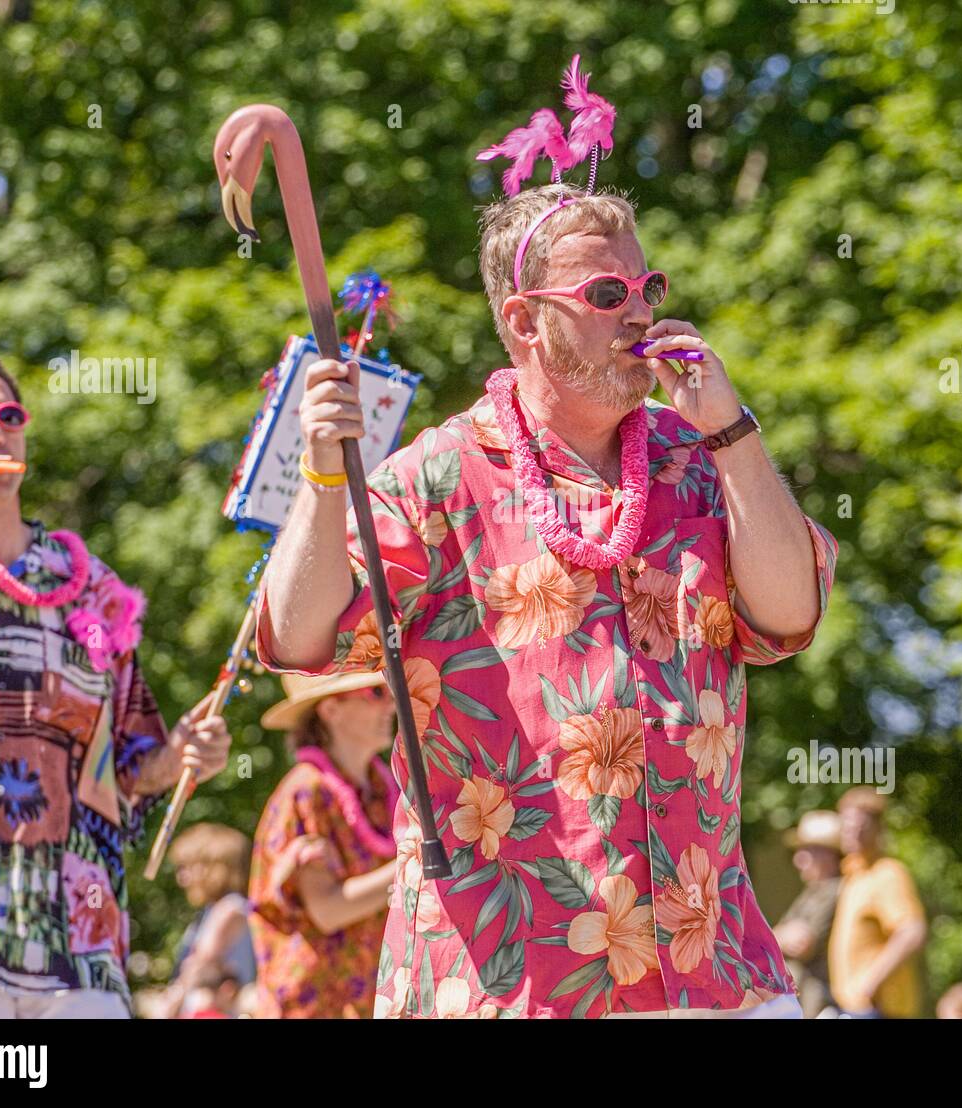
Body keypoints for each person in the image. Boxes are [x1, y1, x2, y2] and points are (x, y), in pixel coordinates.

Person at [256, 58, 838, 1018]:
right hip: (508, 979)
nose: (642, 312)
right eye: (607, 296)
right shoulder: (435, 478)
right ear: (524, 323)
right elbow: (298, 637)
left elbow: (789, 615)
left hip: (711, 972)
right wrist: (325, 477)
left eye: (646, 286)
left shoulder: (701, 465)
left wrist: (734, 433)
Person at [0, 348, 231, 1018]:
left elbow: (132, 766)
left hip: (79, 945)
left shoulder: (92, 589)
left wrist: (184, 755)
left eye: (9, 416)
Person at [248, 672, 398, 1018]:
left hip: (370, 1001)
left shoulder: (383, 787)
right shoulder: (307, 792)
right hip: (314, 1005)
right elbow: (328, 910)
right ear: (331, 710)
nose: (392, 704)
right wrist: (414, 866)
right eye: (376, 692)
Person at [827, 787, 927, 1018]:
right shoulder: (854, 877)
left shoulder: (888, 874)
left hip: (880, 1009)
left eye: (862, 826)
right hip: (854, 1008)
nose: (854, 833)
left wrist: (870, 982)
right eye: (848, 826)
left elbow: (912, 932)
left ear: (879, 828)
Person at [155, 822, 256, 1018]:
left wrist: (169, 1007)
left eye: (187, 867)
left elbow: (199, 964)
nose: (181, 878)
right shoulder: (215, 910)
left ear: (213, 868)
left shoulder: (229, 908)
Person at [773, 809, 843, 1018]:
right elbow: (782, 937)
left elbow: (802, 943)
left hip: (822, 1005)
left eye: (806, 851)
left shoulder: (835, 890)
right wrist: (779, 936)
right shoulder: (812, 892)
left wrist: (775, 936)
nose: (798, 860)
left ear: (828, 854)